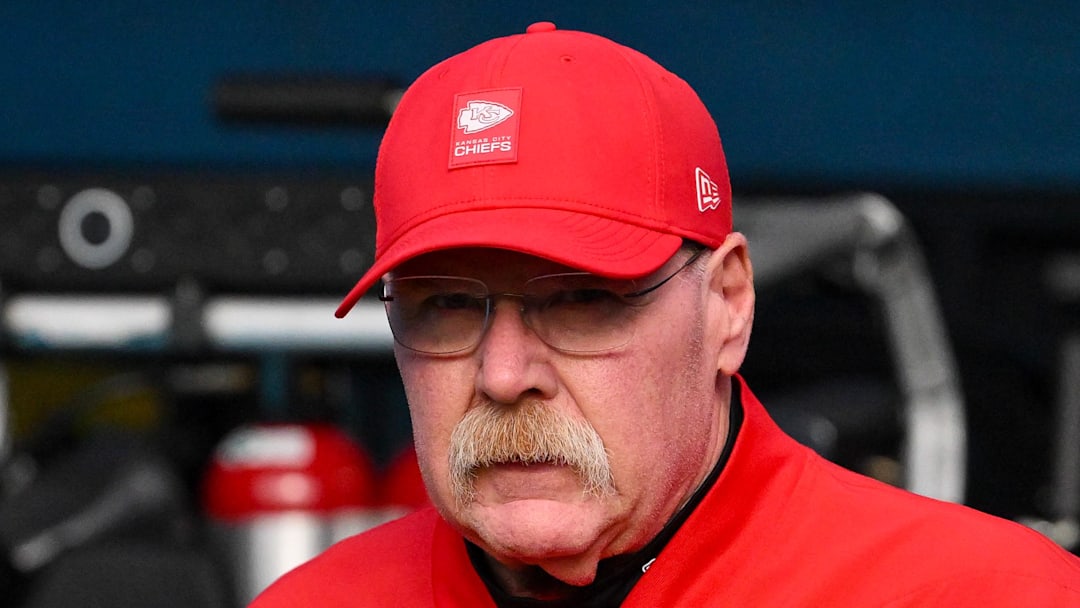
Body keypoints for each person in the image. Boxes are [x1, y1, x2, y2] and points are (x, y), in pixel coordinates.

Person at [251, 22, 1080, 606]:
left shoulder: (980, 596)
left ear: (727, 307)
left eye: (580, 301)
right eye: (445, 307)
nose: (503, 375)